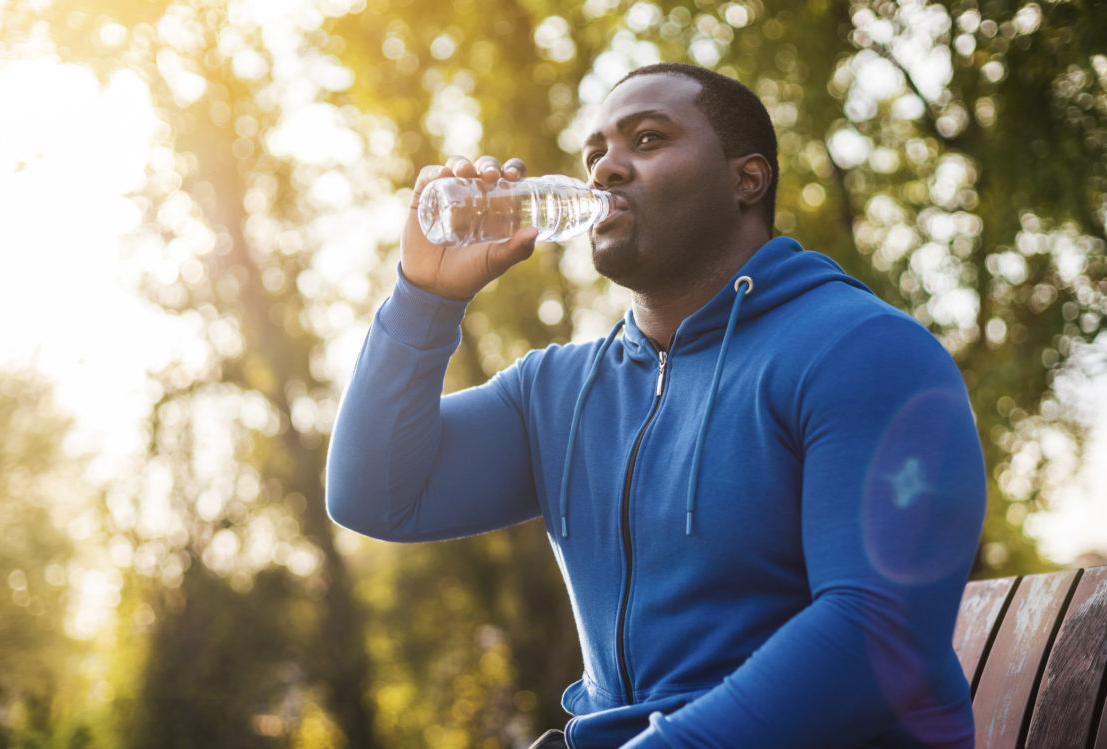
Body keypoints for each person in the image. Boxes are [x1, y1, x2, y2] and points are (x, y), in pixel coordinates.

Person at [326, 62, 987, 748]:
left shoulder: (863, 350)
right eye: (595, 154)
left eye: (647, 140)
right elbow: (374, 496)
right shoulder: (557, 392)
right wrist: (426, 295)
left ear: (747, 180)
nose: (605, 170)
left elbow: (877, 633)